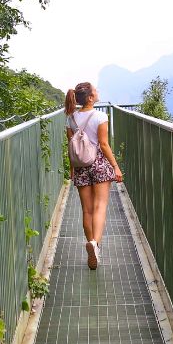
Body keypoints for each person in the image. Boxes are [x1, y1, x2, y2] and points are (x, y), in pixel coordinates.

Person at [64, 82, 123, 269]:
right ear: (90, 98)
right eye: (95, 91)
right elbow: (104, 145)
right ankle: (95, 245)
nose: (98, 92)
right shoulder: (100, 116)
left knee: (87, 210)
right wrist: (115, 166)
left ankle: (90, 242)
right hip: (98, 163)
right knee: (100, 207)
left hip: (81, 166)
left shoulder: (70, 118)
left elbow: (72, 146)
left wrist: (72, 168)